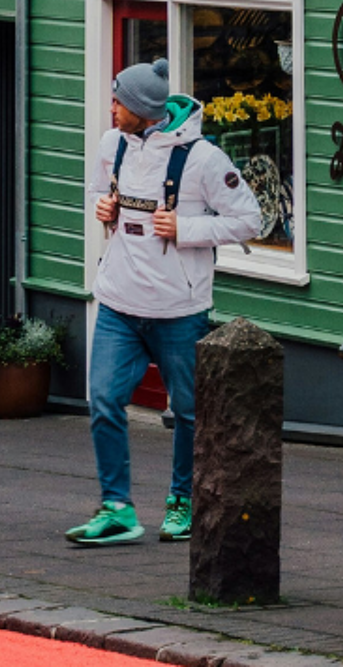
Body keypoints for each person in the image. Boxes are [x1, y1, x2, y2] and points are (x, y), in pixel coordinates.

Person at [68, 58, 261, 547]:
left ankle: (183, 503)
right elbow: (95, 190)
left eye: (118, 101)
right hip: (118, 302)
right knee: (105, 400)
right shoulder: (112, 145)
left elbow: (249, 220)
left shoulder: (202, 158)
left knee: (190, 411)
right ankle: (117, 508)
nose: (111, 108)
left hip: (178, 309)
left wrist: (188, 229)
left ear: (141, 108)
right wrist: (103, 207)